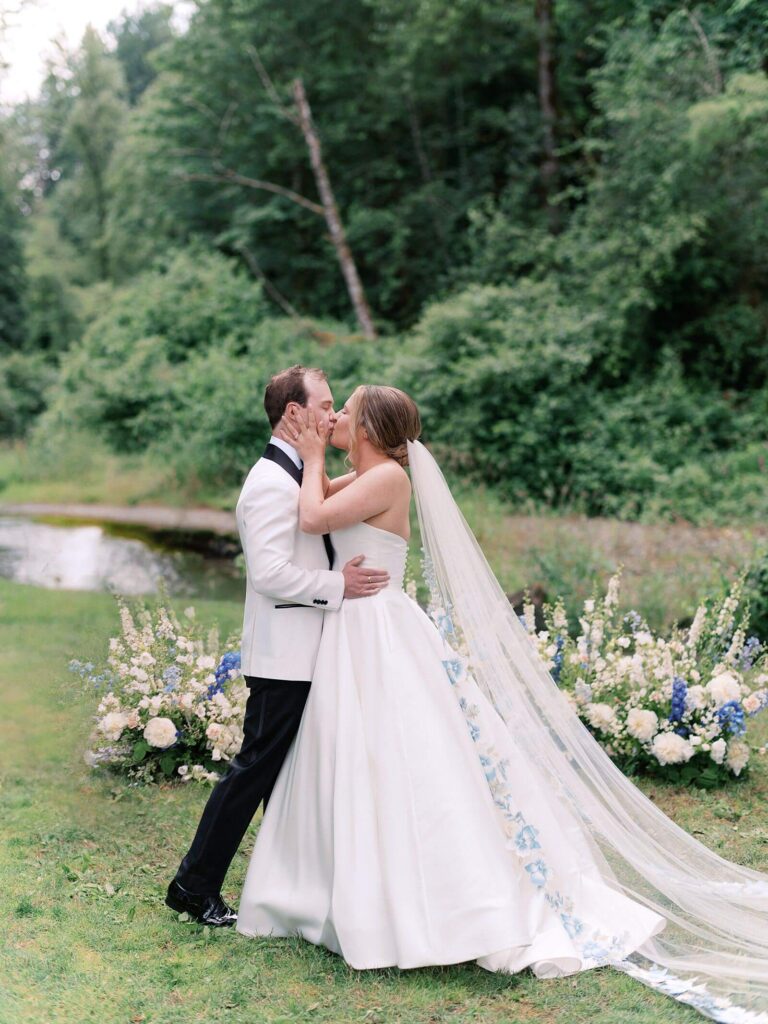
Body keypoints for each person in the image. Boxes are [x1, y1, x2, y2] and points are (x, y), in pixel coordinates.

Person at [235, 384, 768, 1022]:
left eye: (346, 411)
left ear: (371, 428)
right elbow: (316, 501)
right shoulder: (366, 475)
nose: (338, 418)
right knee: (355, 754)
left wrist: (315, 453)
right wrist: (316, 459)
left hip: (378, 631)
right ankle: (340, 887)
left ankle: (437, 899)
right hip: (354, 631)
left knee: (403, 755)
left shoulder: (388, 480)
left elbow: (314, 517)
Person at [165, 366, 390, 926]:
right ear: (295, 412)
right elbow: (269, 574)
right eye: (326, 405)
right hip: (285, 655)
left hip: (313, 651)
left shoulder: (299, 473)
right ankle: (193, 885)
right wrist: (338, 586)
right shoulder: (269, 482)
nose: (333, 415)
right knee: (253, 771)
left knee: (287, 777)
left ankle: (291, 888)